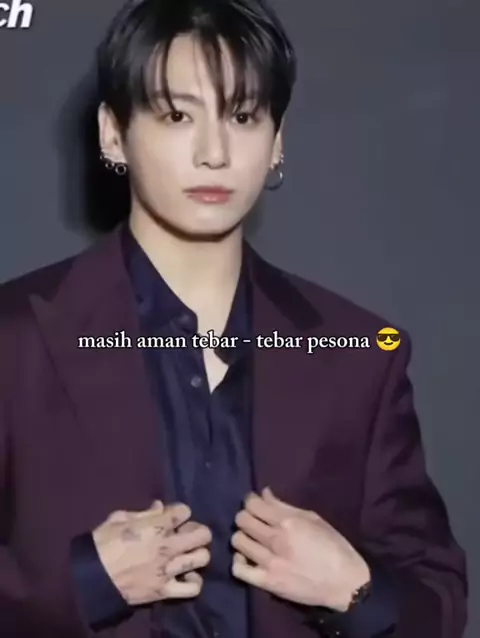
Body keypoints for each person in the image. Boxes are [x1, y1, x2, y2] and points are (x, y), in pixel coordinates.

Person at [0, 0, 467, 637]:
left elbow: (437, 600)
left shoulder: (358, 355)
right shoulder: (15, 342)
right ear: (113, 133)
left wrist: (351, 591)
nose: (214, 152)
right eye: (177, 115)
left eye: (242, 116)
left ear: (277, 140)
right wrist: (85, 583)